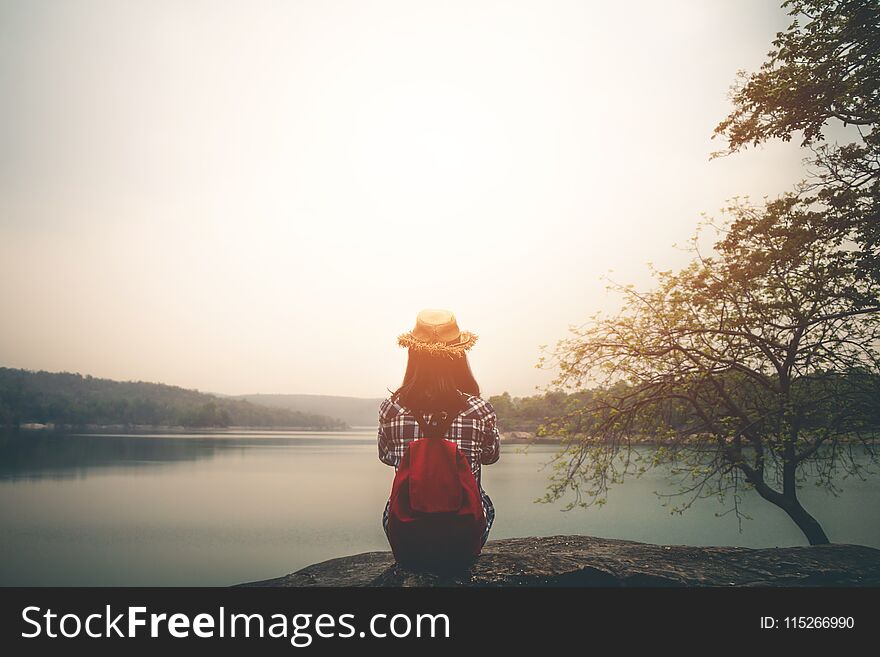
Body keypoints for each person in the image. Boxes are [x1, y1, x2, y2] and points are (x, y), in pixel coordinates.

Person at [378, 308, 500, 549]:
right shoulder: (480, 409)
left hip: (409, 537)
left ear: (413, 354)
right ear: (460, 355)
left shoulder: (390, 408)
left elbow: (386, 457)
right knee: (484, 501)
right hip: (464, 537)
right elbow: (490, 457)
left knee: (392, 504)